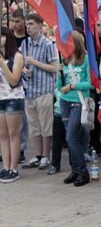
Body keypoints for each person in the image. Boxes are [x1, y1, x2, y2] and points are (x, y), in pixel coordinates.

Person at [20, 13, 58, 171]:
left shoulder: (48, 44)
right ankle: (37, 154)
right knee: (34, 126)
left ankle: (46, 156)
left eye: (31, 24)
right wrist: (24, 69)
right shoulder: (25, 43)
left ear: (40, 26)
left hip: (44, 90)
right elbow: (20, 63)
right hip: (29, 90)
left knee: (45, 125)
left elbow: (54, 67)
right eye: (27, 24)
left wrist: (35, 62)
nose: (28, 27)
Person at [57, 31, 94, 187]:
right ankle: (75, 170)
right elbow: (60, 85)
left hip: (79, 102)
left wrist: (72, 86)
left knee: (71, 138)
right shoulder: (64, 61)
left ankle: (83, 172)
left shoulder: (85, 59)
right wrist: (61, 79)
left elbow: (91, 83)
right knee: (72, 138)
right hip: (65, 102)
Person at [0, 27, 25, 183]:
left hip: (13, 98)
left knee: (13, 133)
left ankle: (14, 168)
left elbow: (14, 80)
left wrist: (3, 64)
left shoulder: (17, 56)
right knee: (2, 135)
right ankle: (6, 166)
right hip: (0, 98)